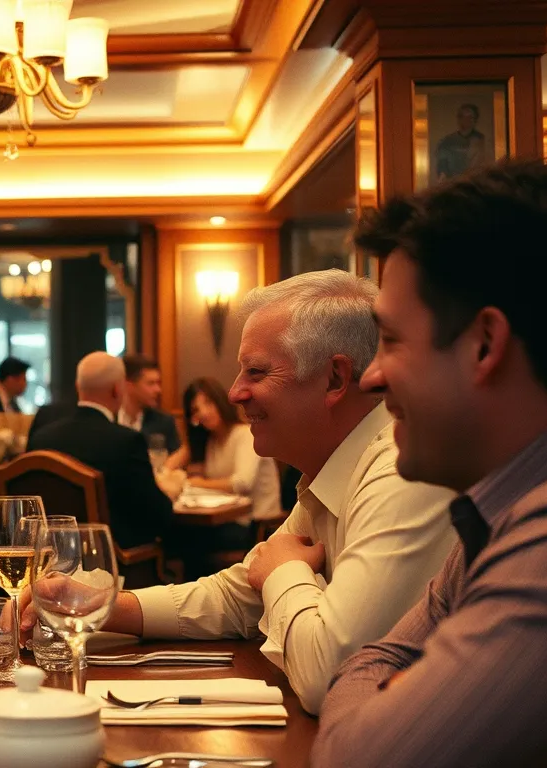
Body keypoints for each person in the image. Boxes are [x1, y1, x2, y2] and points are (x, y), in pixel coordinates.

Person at [39, 270, 455, 715]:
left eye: (255, 372)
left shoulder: (400, 471)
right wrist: (96, 605)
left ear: (335, 379)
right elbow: (238, 596)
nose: (235, 392)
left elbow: (328, 676)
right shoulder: (332, 471)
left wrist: (284, 572)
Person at [313, 159, 547, 766]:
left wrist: (388, 697)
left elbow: (354, 759)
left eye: (390, 340)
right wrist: (390, 689)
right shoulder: (498, 513)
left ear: (485, 345)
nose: (372, 376)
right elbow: (371, 661)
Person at [26, 352, 178, 548]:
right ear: (117, 390)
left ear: (78, 387)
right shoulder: (126, 441)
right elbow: (159, 516)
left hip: (51, 557)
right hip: (115, 562)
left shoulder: (42, 438)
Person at [165, 376, 282, 526]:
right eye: (196, 410)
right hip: (224, 520)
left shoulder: (245, 434)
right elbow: (166, 469)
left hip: (255, 524)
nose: (204, 413)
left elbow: (242, 483)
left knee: (180, 537)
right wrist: (190, 444)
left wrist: (195, 482)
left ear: (220, 401)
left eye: (208, 403)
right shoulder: (210, 440)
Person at [119, 354, 182, 454]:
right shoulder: (109, 419)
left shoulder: (164, 422)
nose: (158, 390)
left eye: (158, 383)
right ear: (129, 385)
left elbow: (176, 458)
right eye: (151, 383)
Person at [434, 103, 486, 180]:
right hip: (455, 185)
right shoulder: (446, 142)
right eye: (463, 117)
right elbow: (442, 169)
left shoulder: (482, 140)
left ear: (475, 120)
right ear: (458, 119)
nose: (466, 120)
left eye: (470, 117)